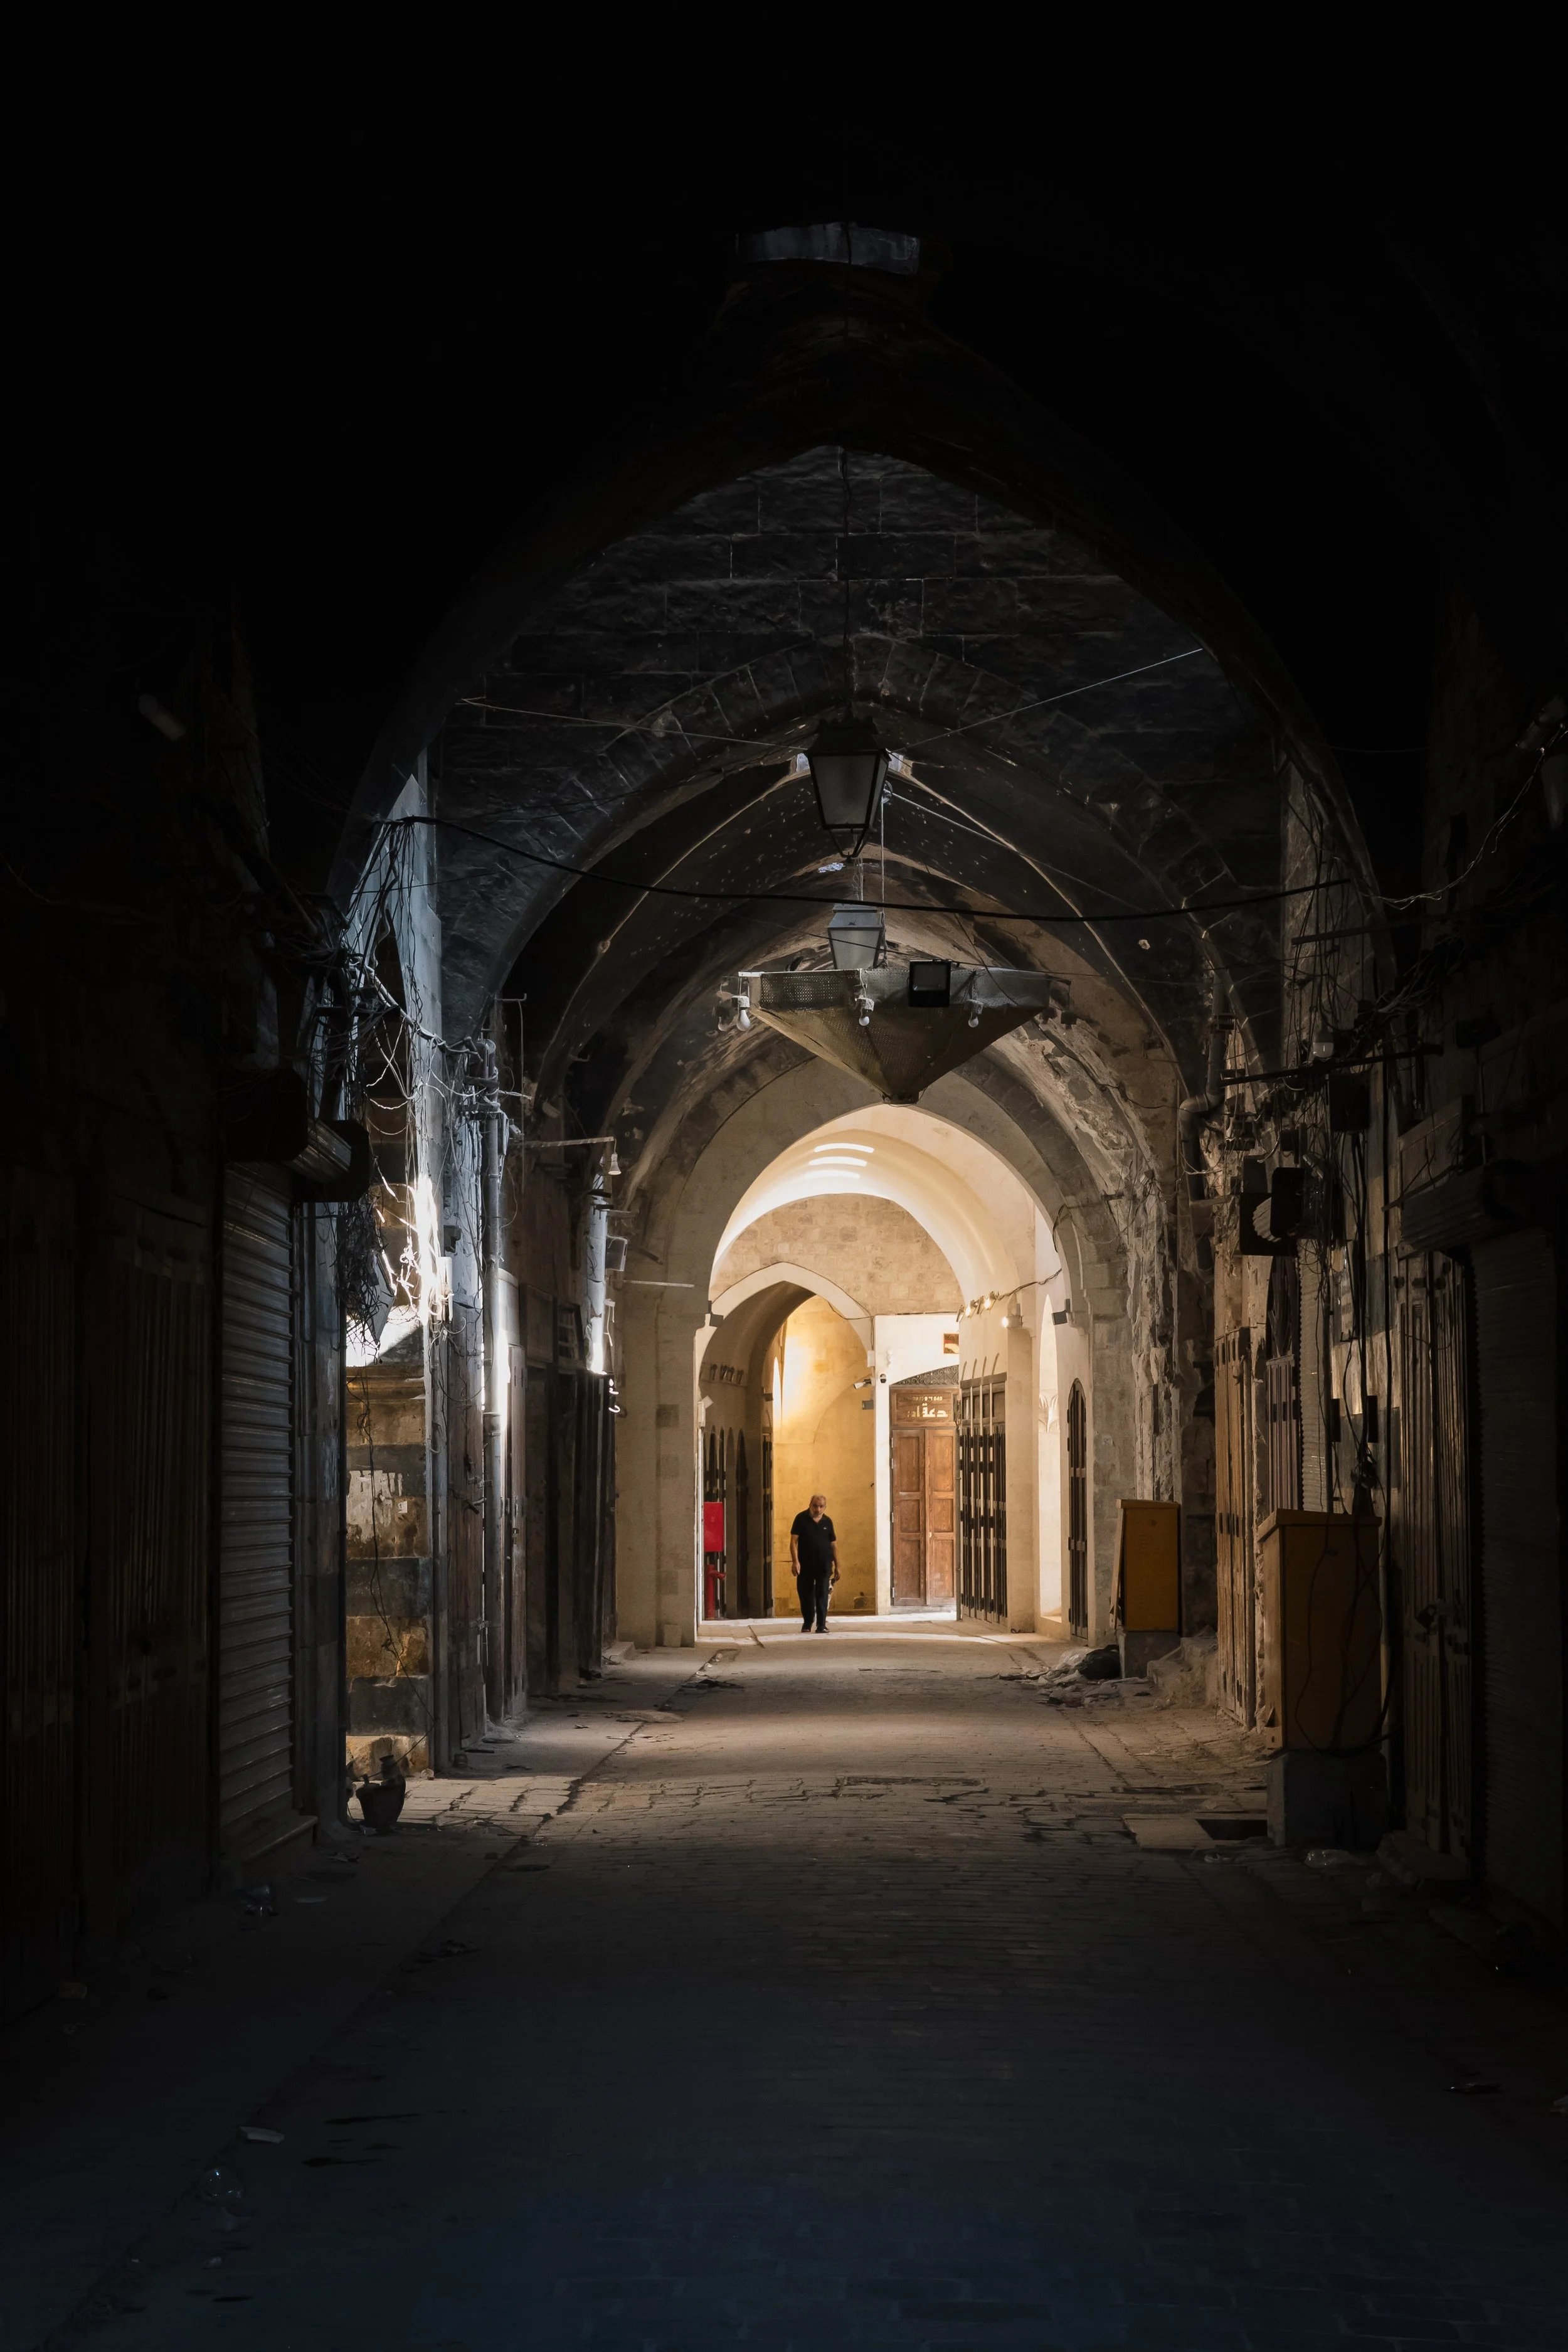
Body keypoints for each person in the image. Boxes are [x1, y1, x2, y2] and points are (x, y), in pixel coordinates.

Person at [790, 1493, 839, 1633]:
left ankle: (821, 1625)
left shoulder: (827, 1522)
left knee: (823, 1593)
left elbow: (834, 1545)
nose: (818, 1509)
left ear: (825, 1507)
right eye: (815, 1506)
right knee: (806, 1594)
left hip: (824, 1564)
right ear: (810, 1505)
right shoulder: (801, 1519)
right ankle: (807, 1622)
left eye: (821, 1506)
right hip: (805, 1564)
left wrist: (838, 1566)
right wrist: (795, 1561)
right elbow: (793, 1542)